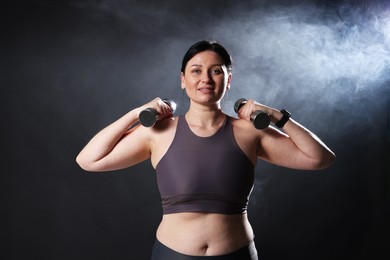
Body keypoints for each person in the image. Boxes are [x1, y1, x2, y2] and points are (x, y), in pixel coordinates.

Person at [76, 40, 335, 259]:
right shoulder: (158, 132)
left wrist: (275, 115)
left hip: (237, 253)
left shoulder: (249, 132)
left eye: (216, 71)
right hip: (172, 254)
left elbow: (320, 158)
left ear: (229, 80)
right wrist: (135, 114)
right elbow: (88, 160)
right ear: (183, 80)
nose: (205, 79)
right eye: (196, 71)